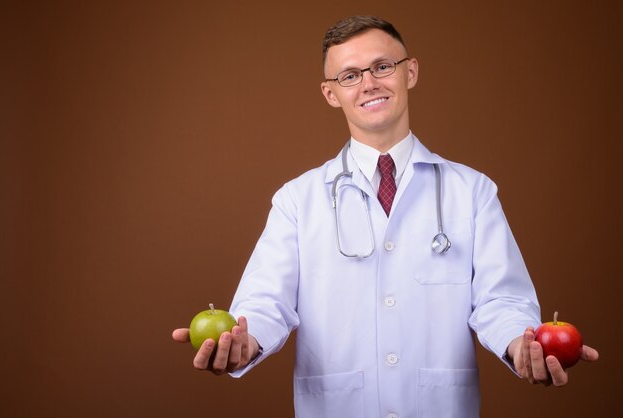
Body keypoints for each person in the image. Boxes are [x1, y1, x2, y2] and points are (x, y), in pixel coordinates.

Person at [173, 15, 599, 417]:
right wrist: (244, 340)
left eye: (382, 66)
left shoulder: (473, 191)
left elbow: (500, 300)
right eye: (350, 75)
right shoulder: (296, 200)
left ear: (409, 72)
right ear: (331, 93)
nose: (368, 84)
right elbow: (267, 303)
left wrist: (521, 344)